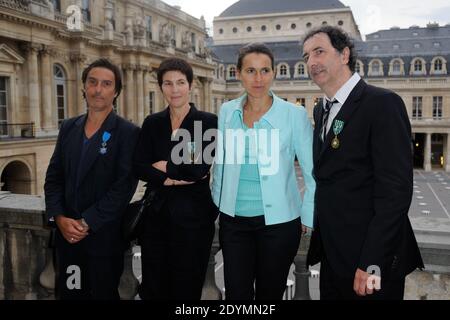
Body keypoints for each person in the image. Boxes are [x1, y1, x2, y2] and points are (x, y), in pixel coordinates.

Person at [302, 26, 424, 300]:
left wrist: (372, 263)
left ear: (344, 55)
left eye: (319, 51)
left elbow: (395, 194)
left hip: (369, 262)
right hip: (333, 258)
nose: (311, 62)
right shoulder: (322, 109)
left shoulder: (383, 104)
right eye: (306, 56)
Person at [211, 43, 315, 300]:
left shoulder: (294, 114)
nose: (258, 79)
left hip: (279, 225)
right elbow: (221, 163)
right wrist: (218, 204)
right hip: (234, 223)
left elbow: (313, 171)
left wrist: (308, 216)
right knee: (237, 294)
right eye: (250, 70)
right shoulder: (227, 111)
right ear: (238, 73)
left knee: (270, 295)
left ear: (274, 73)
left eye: (264, 70)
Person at [44, 58, 140, 299]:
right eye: (93, 82)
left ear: (116, 91)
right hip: (67, 239)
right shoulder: (68, 127)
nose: (98, 90)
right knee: (71, 294)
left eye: (106, 84)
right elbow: (54, 177)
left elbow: (124, 187)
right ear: (84, 87)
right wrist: (59, 217)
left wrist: (86, 223)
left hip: (102, 239)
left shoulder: (128, 132)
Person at [133, 58, 218, 300]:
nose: (175, 89)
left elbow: (199, 169)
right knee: (153, 287)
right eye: (168, 83)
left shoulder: (207, 121)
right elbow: (139, 167)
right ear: (161, 87)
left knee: (187, 289)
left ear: (191, 86)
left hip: (194, 220)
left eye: (181, 82)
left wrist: (162, 168)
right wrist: (173, 177)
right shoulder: (152, 123)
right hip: (155, 220)